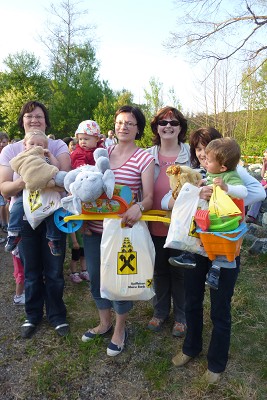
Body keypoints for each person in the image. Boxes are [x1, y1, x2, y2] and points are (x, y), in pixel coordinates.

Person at [171, 127, 266, 384]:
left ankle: (216, 363)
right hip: (196, 248)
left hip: (224, 249)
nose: (202, 155)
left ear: (220, 158)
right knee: (192, 300)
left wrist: (224, 191)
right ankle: (191, 348)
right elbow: (174, 204)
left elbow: (257, 192)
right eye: (199, 149)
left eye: (207, 150)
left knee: (220, 308)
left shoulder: (232, 172)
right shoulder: (194, 174)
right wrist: (194, 194)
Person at [81, 105, 154, 357]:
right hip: (93, 229)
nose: (124, 127)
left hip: (123, 232)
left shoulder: (144, 158)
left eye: (130, 123)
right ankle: (104, 322)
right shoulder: (103, 152)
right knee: (95, 277)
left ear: (138, 130)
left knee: (120, 281)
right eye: (120, 122)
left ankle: (120, 329)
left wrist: (139, 208)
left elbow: (150, 197)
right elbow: (87, 184)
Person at [0, 100, 71, 339]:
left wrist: (47, 160)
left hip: (53, 215)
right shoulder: (11, 150)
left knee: (53, 271)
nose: (34, 120)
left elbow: (65, 178)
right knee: (31, 271)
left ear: (46, 120)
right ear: (22, 121)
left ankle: (57, 316)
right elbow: (5, 189)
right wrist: (25, 181)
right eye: (29, 116)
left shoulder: (58, 145)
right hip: (25, 217)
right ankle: (32, 315)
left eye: (39, 116)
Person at [146, 106, 190, 337]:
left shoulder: (191, 155)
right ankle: (160, 311)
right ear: (156, 128)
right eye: (163, 123)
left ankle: (181, 316)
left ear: (180, 127)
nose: (168, 126)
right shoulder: (147, 155)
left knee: (179, 272)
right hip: (153, 224)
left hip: (181, 226)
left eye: (173, 122)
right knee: (159, 269)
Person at [5, 130, 64, 256]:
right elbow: (14, 166)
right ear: (25, 145)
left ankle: (54, 240)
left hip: (45, 193)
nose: (35, 147)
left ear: (45, 147)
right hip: (28, 194)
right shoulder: (23, 157)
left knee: (52, 212)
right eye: (32, 144)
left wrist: (50, 156)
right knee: (16, 208)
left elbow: (57, 168)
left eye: (40, 145)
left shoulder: (46, 158)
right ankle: (14, 233)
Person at [203, 137, 247, 289]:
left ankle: (215, 271)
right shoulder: (212, 173)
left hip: (226, 220)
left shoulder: (230, 176)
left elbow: (243, 192)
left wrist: (227, 187)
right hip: (213, 217)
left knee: (222, 246)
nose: (205, 162)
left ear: (222, 167)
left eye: (208, 160)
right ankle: (189, 254)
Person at [246, 148, 267, 223]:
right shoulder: (266, 163)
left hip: (265, 186)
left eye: (265, 154)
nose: (264, 156)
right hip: (263, 183)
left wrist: (263, 188)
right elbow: (262, 175)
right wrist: (264, 164)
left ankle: (252, 216)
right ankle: (244, 211)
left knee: (259, 195)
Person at [0, 131, 9, 235]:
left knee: (6, 205)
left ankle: (6, 224)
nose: (1, 144)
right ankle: (3, 224)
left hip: (7, 183)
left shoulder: (8, 153)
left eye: (3, 142)